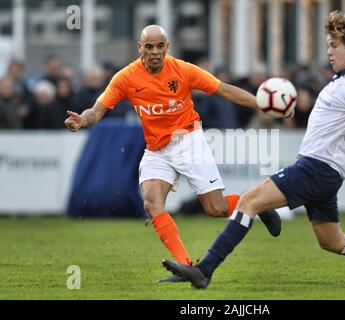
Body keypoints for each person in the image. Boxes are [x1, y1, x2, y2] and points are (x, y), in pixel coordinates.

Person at [162, 11, 345, 289]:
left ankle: (204, 270)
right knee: (332, 241)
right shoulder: (341, 82)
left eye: (334, 45)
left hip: (315, 169)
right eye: (329, 44)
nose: (329, 51)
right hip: (324, 172)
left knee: (249, 201)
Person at [64, 25, 281, 282]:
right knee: (151, 203)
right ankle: (188, 268)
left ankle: (257, 204)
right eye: (149, 47)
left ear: (168, 47)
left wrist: (261, 103)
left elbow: (223, 89)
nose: (154, 52)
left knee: (216, 209)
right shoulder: (125, 77)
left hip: (189, 141)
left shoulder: (183, 70)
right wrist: (83, 120)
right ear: (140, 48)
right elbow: (96, 111)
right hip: (157, 150)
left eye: (159, 46)